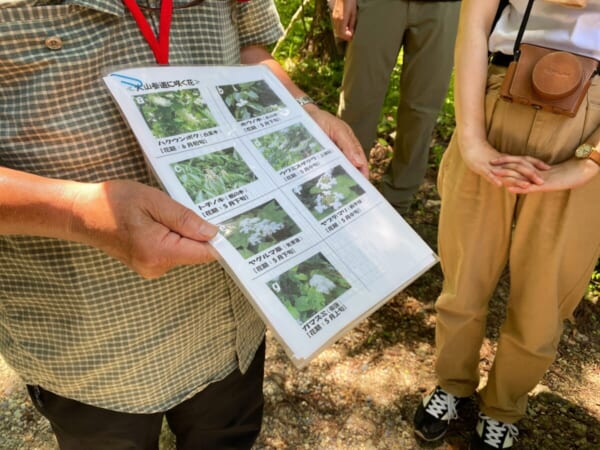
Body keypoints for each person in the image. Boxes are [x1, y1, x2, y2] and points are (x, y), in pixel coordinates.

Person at [0, 1, 368, 449]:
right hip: (96, 347)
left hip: (232, 322)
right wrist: (80, 211)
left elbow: (250, 49)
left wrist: (300, 107)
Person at [413, 0, 599, 448]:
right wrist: (472, 138)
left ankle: (505, 405)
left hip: (592, 117)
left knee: (546, 292)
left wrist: (594, 159)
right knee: (465, 272)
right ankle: (452, 382)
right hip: (499, 87)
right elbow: (474, 24)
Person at [331, 0, 461, 214]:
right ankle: (342, 195)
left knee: (423, 110)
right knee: (358, 101)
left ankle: (396, 208)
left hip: (444, 6)